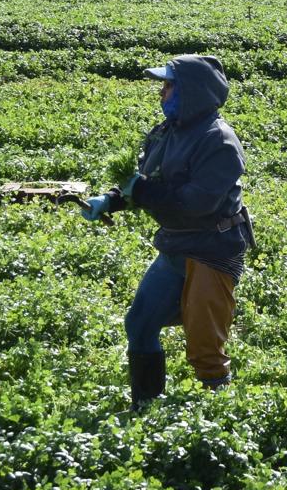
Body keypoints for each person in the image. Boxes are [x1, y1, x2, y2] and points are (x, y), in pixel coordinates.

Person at [82, 55, 255, 406]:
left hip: (212, 249)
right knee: (140, 324)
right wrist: (113, 199)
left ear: (191, 92)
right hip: (176, 246)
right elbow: (150, 182)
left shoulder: (218, 142)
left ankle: (219, 416)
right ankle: (145, 406)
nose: (161, 93)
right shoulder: (166, 132)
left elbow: (196, 203)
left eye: (168, 85)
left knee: (205, 346)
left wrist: (140, 190)